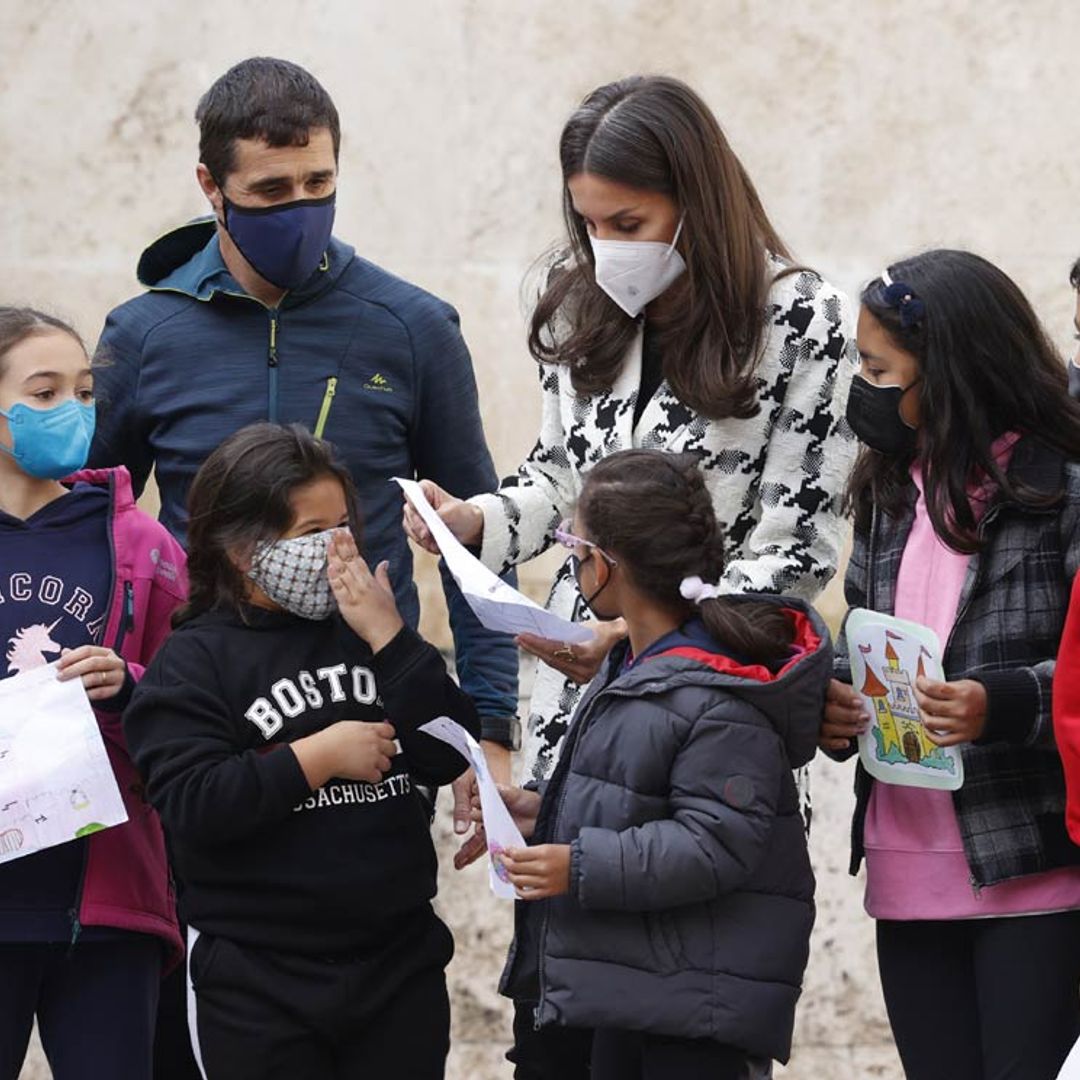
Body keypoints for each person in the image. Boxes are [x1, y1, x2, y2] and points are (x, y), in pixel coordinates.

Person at [403, 74, 857, 792]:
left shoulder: (802, 319)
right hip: (574, 718)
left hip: (714, 710)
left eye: (628, 224)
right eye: (588, 224)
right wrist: (474, 521)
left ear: (696, 204)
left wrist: (645, 634)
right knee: (561, 888)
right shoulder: (579, 299)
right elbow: (561, 480)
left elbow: (795, 550)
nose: (604, 246)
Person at [122, 422, 480, 1080]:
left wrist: (392, 638)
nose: (333, 546)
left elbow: (448, 752)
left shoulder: (366, 631)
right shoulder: (195, 661)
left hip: (396, 970)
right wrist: (315, 759)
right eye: (310, 532)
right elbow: (194, 807)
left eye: (342, 523)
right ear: (240, 549)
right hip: (259, 982)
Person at [819, 251, 1080, 1080]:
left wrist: (996, 703)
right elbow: (862, 635)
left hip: (1032, 871)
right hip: (904, 866)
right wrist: (830, 702)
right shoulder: (887, 489)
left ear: (952, 370)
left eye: (880, 368)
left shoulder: (1060, 485)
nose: (865, 387)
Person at [488, 448, 826, 1080]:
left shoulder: (719, 689)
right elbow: (630, 797)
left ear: (607, 566)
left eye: (574, 543)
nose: (571, 557)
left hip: (687, 1019)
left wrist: (577, 864)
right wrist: (546, 812)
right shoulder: (633, 666)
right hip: (628, 992)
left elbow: (714, 842)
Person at [0, 308, 185, 1080]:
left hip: (109, 905)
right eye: (43, 394)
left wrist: (127, 684)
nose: (71, 412)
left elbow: (195, 703)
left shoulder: (144, 543)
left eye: (83, 392)